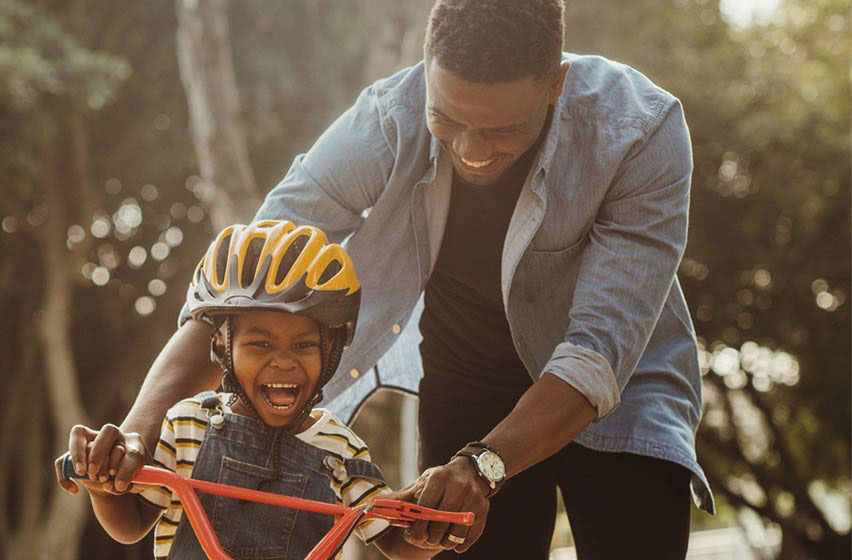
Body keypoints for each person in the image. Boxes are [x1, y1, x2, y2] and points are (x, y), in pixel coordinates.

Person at [60, 0, 716, 558]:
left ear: (556, 85)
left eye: (501, 130)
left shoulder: (641, 131)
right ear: (428, 73)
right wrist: (138, 434)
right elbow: (249, 280)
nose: (471, 152)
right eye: (448, 120)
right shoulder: (385, 119)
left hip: (622, 389)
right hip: (470, 378)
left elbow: (596, 353)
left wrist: (483, 466)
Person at [59, 220, 440, 560]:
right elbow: (130, 525)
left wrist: (432, 525)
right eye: (260, 344)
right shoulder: (187, 424)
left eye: (304, 345)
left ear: (332, 351)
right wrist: (102, 488)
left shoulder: (339, 446)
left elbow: (396, 542)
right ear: (222, 348)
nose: (284, 362)